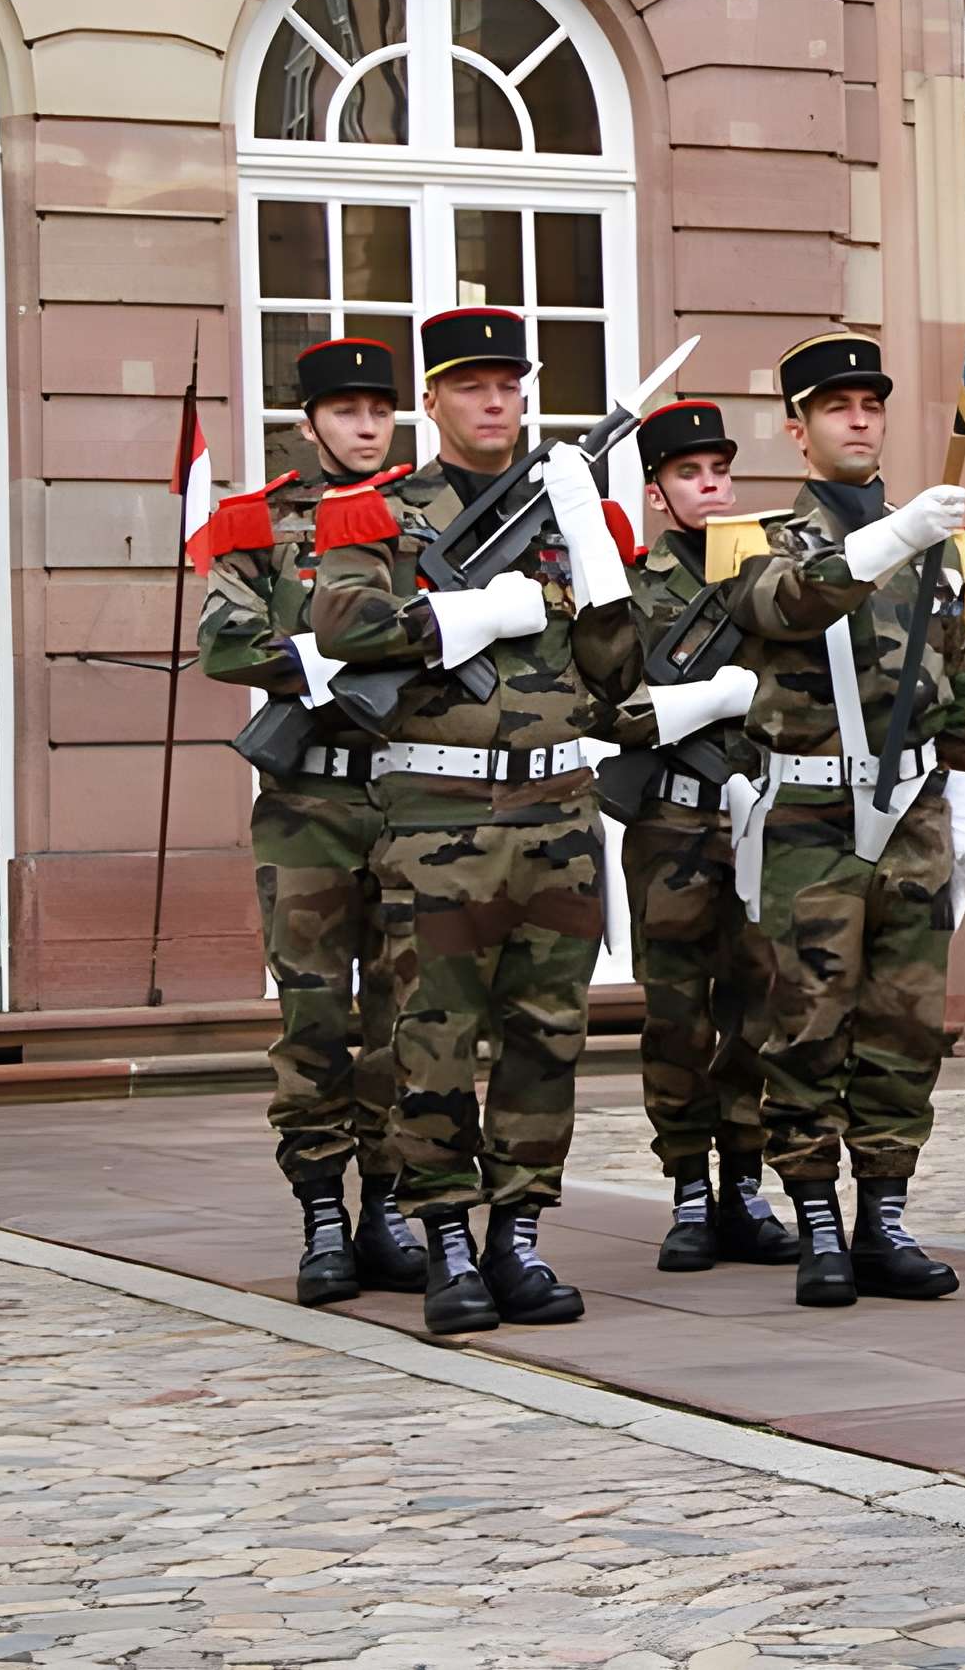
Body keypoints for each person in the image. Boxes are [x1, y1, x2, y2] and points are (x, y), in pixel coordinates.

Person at [309, 308, 644, 1336]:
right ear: (433, 401)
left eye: (508, 383)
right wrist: (463, 615)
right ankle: (446, 1236)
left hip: (558, 810)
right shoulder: (380, 511)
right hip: (439, 810)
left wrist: (591, 548)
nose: (494, 401)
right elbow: (339, 624)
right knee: (436, 1037)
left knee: (548, 1033)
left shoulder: (561, 507)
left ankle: (519, 1237)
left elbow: (620, 672)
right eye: (470, 385)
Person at [724, 333, 965, 1305]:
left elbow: (959, 678)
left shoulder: (928, 548)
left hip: (912, 808)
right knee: (807, 1022)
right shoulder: (750, 534)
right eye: (835, 406)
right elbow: (791, 601)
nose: (859, 418)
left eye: (870, 402)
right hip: (812, 814)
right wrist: (900, 533)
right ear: (798, 430)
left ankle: (882, 1212)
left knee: (904, 1023)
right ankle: (816, 1216)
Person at [195, 336, 425, 1306]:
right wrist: (320, 659)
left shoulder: (433, 518)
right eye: (346, 411)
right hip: (308, 801)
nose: (365, 425)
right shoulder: (259, 520)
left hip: (414, 793)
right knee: (314, 1011)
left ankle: (388, 1202)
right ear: (309, 421)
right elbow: (222, 637)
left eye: (379, 409)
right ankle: (322, 1210)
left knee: (408, 1016)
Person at [604, 399, 795, 1269]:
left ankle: (744, 1184)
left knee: (759, 1004)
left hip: (759, 816)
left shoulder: (769, 576)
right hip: (673, 821)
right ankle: (688, 1186)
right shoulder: (639, 590)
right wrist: (695, 702)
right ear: (657, 494)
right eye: (689, 474)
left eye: (720, 471)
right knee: (677, 1013)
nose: (711, 487)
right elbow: (608, 709)